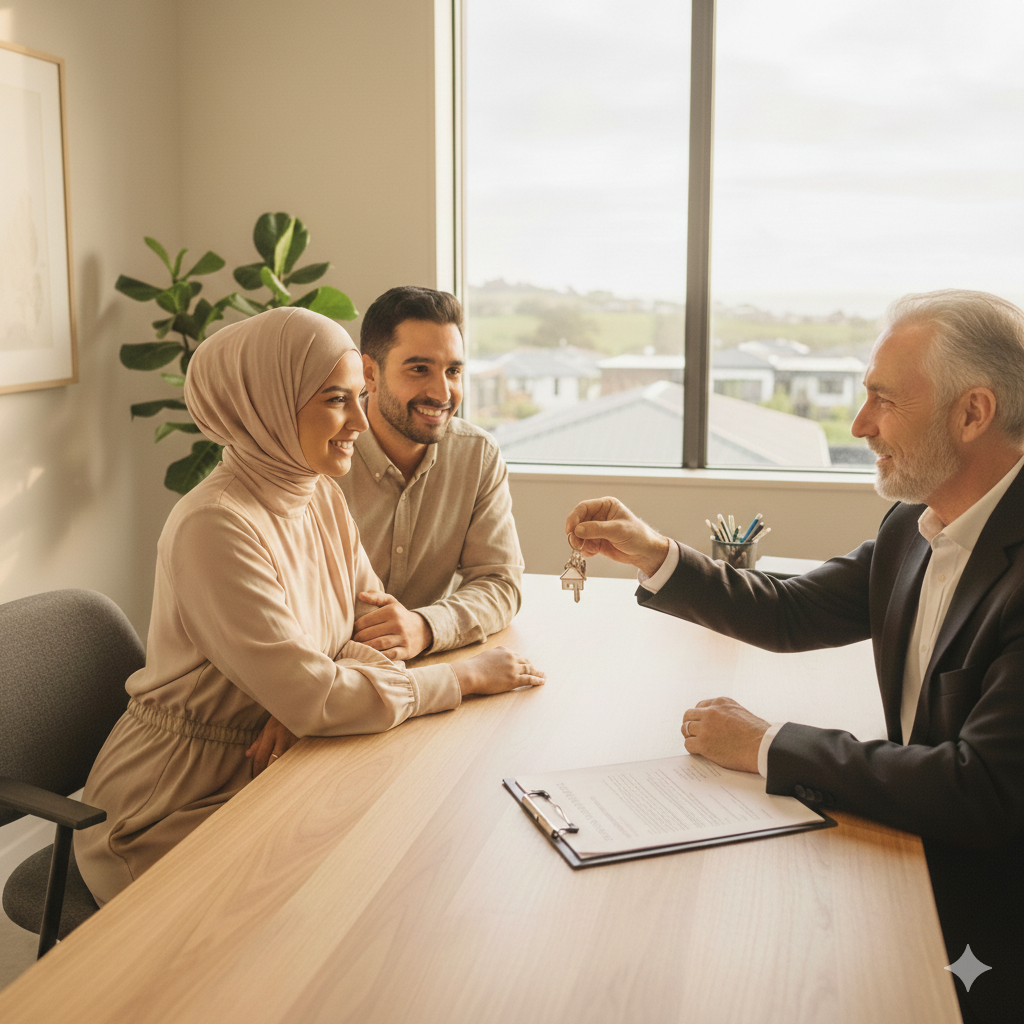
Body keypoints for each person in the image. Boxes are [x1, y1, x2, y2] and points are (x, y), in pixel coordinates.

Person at [565, 289, 1024, 1024]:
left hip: (993, 921)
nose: (858, 425)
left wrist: (768, 745)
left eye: (883, 400)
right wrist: (654, 555)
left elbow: (982, 792)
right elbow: (792, 610)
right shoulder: (914, 526)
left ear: (973, 414)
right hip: (919, 851)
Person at [75, 307, 543, 906]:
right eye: (334, 400)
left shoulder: (316, 492)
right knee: (352, 897)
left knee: (415, 863)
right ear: (269, 401)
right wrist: (460, 677)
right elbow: (315, 695)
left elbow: (368, 636)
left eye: (358, 397)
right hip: (177, 799)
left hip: (286, 761)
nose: (358, 420)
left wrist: (308, 699)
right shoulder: (215, 524)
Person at [335, 286, 523, 661]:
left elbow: (500, 583)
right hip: (331, 674)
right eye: (419, 369)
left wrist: (425, 627)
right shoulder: (322, 458)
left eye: (453, 371)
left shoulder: (477, 456)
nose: (442, 392)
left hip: (426, 666)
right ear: (369, 374)